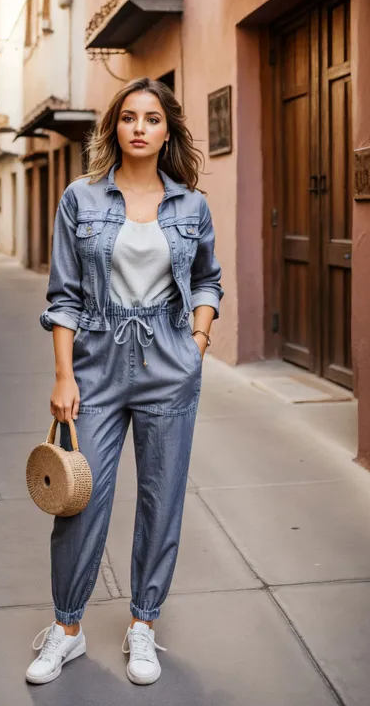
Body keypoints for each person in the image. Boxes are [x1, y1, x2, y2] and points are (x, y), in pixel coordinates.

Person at [27, 77, 223, 687]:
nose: (140, 127)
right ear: (114, 126)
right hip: (95, 366)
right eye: (130, 117)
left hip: (169, 364)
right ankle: (67, 630)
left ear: (168, 131)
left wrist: (197, 341)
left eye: (153, 118)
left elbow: (209, 281)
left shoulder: (191, 204)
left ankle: (144, 624)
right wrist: (64, 376)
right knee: (82, 501)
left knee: (161, 501)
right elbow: (62, 296)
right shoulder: (79, 199)